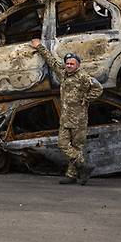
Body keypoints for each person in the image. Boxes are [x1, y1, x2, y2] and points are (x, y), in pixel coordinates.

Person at [30, 38, 103, 185]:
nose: (69, 66)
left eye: (72, 64)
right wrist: (39, 47)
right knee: (63, 144)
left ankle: (71, 175)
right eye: (68, 63)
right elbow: (51, 61)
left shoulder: (83, 77)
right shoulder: (63, 73)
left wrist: (86, 98)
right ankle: (83, 166)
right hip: (65, 118)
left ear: (78, 65)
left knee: (77, 146)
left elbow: (99, 88)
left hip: (78, 119)